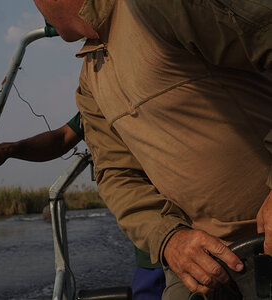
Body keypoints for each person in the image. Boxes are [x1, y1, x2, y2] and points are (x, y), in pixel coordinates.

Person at [31, 0, 272, 299]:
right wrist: (170, 238)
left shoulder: (154, 6)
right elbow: (116, 174)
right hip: (203, 260)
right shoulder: (90, 83)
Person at [0, 112, 166, 300]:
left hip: (184, 224)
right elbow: (63, 137)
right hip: (152, 250)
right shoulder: (100, 97)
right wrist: (6, 150)